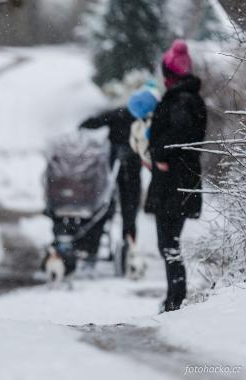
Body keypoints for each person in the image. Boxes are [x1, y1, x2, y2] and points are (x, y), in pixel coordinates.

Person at [146, 39, 207, 312]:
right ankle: (174, 296)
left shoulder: (180, 100)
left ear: (170, 73)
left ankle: (176, 299)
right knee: (170, 242)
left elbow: (179, 135)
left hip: (174, 182)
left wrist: (159, 154)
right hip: (184, 179)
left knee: (168, 242)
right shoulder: (191, 98)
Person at [79, 83, 158, 263]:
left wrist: (83, 127)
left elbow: (95, 122)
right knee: (129, 209)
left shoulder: (119, 114)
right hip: (129, 170)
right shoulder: (145, 120)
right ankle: (129, 245)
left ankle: (93, 246)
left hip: (112, 168)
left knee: (104, 206)